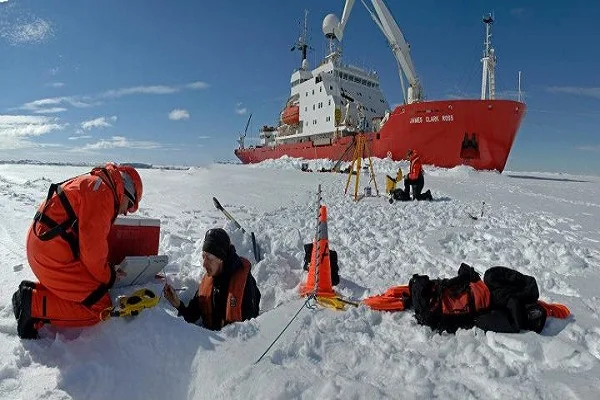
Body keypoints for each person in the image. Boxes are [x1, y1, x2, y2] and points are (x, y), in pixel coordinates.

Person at [12, 163, 143, 339]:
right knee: (100, 306)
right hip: (51, 256)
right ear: (127, 191)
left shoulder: (95, 184)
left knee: (91, 288)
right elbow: (92, 254)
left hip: (43, 247)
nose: (126, 212)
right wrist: (109, 276)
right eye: (130, 206)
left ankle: (31, 292)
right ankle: (32, 303)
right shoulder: (103, 194)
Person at [163, 228, 261, 330]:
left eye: (209, 258)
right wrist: (178, 304)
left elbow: (250, 330)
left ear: (221, 258)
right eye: (203, 256)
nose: (204, 264)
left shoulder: (244, 283)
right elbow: (192, 315)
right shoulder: (209, 280)